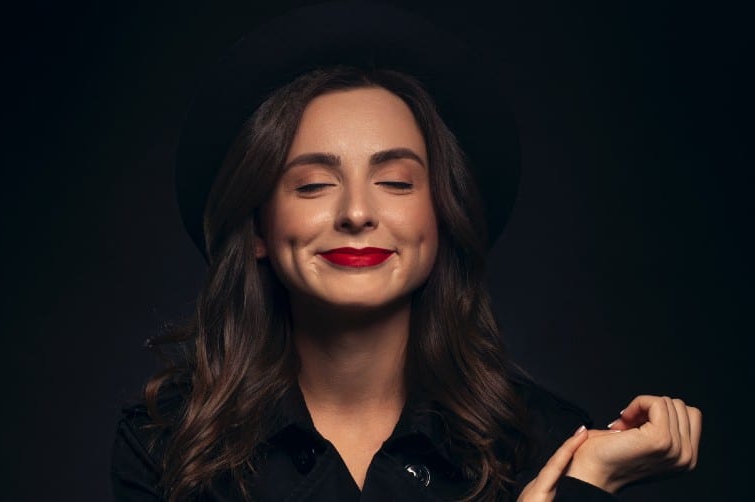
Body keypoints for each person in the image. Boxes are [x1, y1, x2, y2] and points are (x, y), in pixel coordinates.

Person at [110, 2, 701, 501]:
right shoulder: (167, 444)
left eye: (396, 182)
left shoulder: (545, 441)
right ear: (258, 228)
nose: (357, 212)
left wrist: (586, 482)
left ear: (442, 217)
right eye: (313, 184)